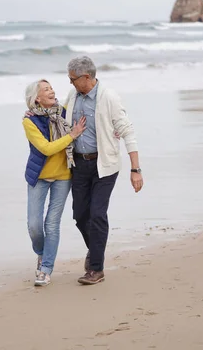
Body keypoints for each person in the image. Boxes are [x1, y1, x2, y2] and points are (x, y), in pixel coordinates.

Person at [64, 56, 143, 285]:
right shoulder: (73, 96)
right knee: (80, 216)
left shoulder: (108, 97)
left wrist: (135, 169)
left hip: (104, 165)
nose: (70, 83)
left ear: (86, 77)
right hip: (79, 165)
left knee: (97, 214)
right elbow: (59, 116)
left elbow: (127, 131)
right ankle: (95, 251)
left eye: (73, 79)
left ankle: (96, 269)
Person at [22, 79, 86, 287]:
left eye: (51, 88)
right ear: (37, 98)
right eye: (46, 89)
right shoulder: (29, 121)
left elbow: (89, 115)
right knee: (34, 226)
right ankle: (41, 253)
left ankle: (45, 269)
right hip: (39, 177)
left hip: (63, 177)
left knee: (52, 224)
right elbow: (47, 149)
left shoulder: (65, 112)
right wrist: (72, 136)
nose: (51, 91)